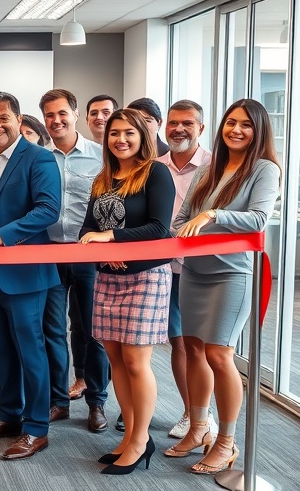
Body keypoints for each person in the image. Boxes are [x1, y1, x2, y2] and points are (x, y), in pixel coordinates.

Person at [167, 98, 280, 475]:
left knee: (219, 354)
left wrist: (213, 213)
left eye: (245, 125)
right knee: (194, 349)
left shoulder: (264, 169)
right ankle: (199, 428)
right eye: (231, 122)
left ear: (258, 131)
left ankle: (227, 441)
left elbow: (258, 219)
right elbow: (181, 219)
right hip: (193, 271)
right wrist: (188, 224)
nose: (236, 129)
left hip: (231, 273)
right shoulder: (209, 168)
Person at [0, 92, 60, 461]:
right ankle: (8, 414)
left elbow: (48, 210)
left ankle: (36, 427)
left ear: (19, 119)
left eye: (3, 117)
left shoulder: (39, 158)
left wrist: (3, 235)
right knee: (0, 349)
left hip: (24, 273)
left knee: (30, 350)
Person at [79, 108, 175, 475]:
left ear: (142, 136)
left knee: (136, 361)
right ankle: (131, 436)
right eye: (114, 133)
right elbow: (87, 229)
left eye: (129, 133)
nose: (120, 139)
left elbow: (159, 228)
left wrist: (113, 238)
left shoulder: (156, 173)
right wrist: (105, 247)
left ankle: (140, 440)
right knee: (115, 359)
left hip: (145, 277)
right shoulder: (103, 177)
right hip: (108, 276)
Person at [39, 89, 109, 431]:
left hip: (88, 255)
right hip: (48, 254)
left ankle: (97, 402)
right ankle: (58, 401)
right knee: (52, 330)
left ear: (75, 113)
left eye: (62, 113)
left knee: (93, 331)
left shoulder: (101, 156)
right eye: (50, 115)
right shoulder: (37, 157)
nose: (56, 120)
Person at [155, 100, 216, 439]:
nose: (179, 128)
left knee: (206, 347)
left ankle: (206, 417)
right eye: (173, 122)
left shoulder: (215, 166)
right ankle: (188, 412)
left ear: (201, 128)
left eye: (187, 123)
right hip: (167, 269)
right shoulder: (156, 167)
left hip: (205, 270)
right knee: (179, 343)